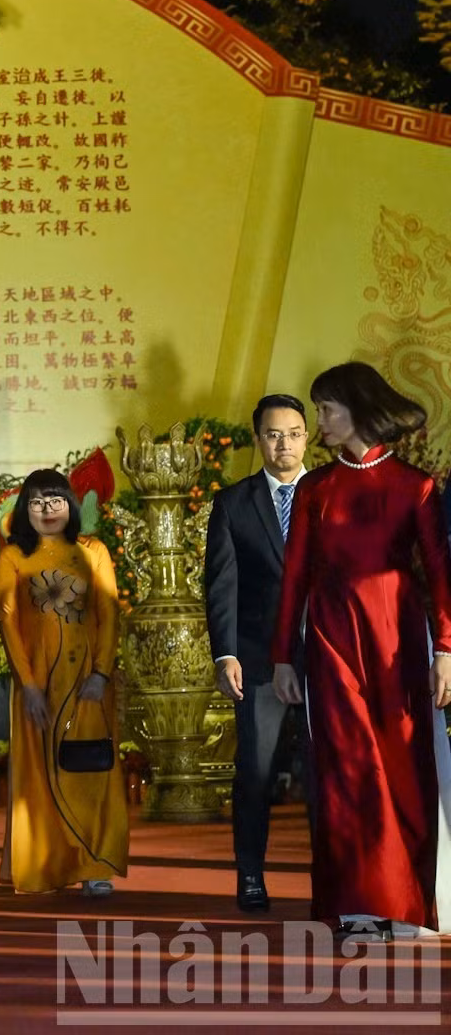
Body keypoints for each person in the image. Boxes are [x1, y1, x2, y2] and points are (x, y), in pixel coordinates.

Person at [272, 362, 451, 937]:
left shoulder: (415, 486)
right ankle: (356, 903)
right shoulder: (315, 489)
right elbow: (294, 577)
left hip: (399, 636)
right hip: (331, 636)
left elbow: (441, 575)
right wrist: (281, 657)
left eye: (326, 409)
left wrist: (446, 648)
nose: (316, 421)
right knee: (346, 770)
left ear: (357, 409)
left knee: (404, 765)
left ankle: (404, 902)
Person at [0, 468, 128, 897]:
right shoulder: (13, 557)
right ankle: (46, 864)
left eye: (55, 500)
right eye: (36, 502)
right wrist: (29, 685)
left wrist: (101, 673)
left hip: (89, 683)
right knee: (39, 774)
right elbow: (8, 622)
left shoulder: (94, 552)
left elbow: (109, 615)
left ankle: (95, 865)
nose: (47, 510)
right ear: (23, 511)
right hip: (37, 687)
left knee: (90, 770)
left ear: (70, 505)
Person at [204, 393, 308, 912]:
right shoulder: (234, 502)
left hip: (328, 655)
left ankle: (337, 880)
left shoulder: (331, 493)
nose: (283, 443)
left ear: (307, 436)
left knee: (330, 772)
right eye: (273, 433)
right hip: (258, 657)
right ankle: (250, 874)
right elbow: (222, 585)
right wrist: (226, 654)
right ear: (257, 439)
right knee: (256, 770)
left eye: (293, 432)